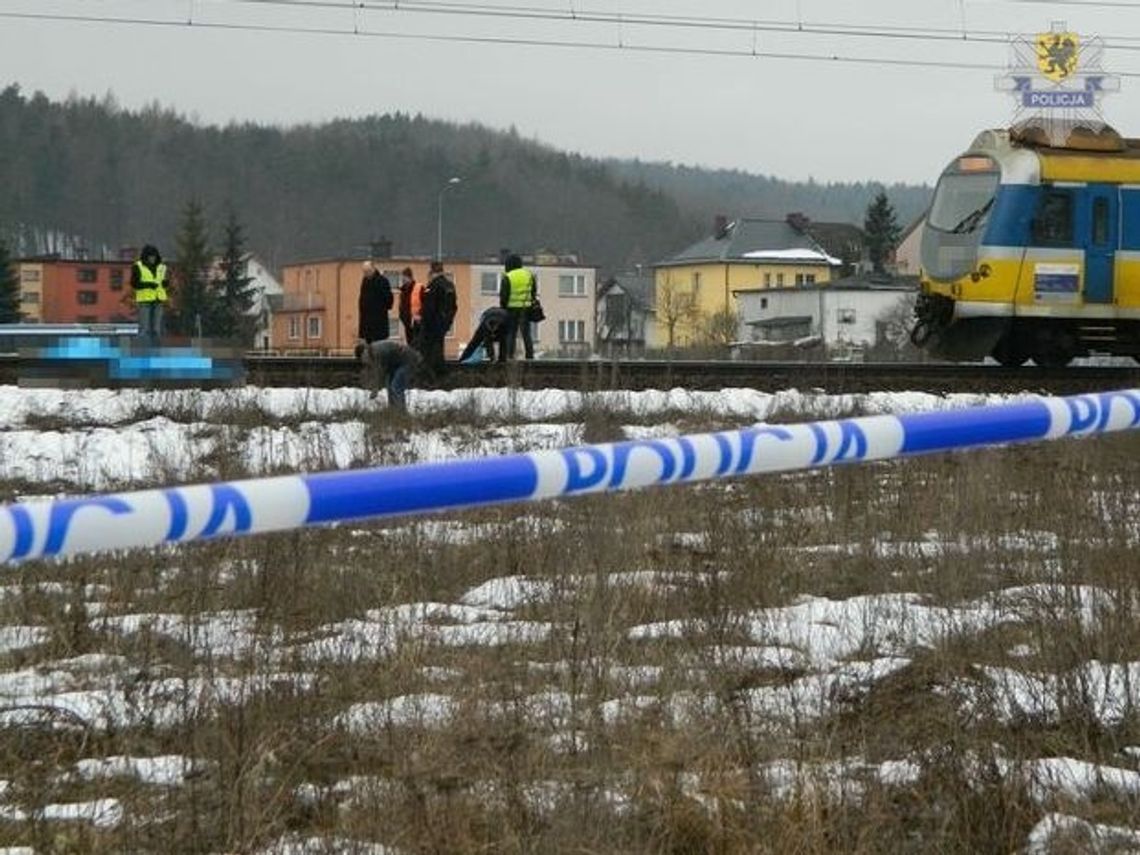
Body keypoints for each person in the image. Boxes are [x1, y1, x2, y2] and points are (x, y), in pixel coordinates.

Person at [356, 338, 423, 411]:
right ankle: (393, 409)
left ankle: (401, 411)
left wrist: (375, 389)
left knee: (396, 386)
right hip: (397, 363)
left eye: (363, 359)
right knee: (389, 385)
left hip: (407, 360)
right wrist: (375, 388)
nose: (366, 362)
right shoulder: (373, 352)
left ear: (364, 353)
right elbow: (381, 372)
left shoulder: (377, 351)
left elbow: (380, 372)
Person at [418, 260, 458, 376]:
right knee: (439, 349)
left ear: (432, 271)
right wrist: (447, 322)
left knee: (428, 353)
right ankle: (441, 375)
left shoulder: (433, 285)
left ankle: (430, 377)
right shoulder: (450, 285)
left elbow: (429, 307)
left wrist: (424, 322)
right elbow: (454, 307)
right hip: (443, 324)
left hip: (431, 325)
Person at [499, 253, 537, 360]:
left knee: (511, 333)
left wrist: (503, 308)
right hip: (526, 308)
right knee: (526, 334)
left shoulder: (508, 276)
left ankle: (510, 355)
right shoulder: (529, 275)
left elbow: (504, 295)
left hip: (511, 309)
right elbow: (533, 292)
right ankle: (530, 356)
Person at [130, 244, 169, 347]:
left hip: (158, 300)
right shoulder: (138, 266)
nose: (152, 258)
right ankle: (141, 350)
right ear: (145, 257)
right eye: (150, 256)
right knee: (144, 329)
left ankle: (156, 351)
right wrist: (148, 285)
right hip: (144, 301)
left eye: (154, 256)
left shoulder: (162, 267)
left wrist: (166, 284)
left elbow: (164, 282)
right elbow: (134, 283)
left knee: (157, 329)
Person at [358, 260, 394, 344]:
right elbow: (362, 299)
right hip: (367, 324)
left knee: (379, 348)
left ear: (373, 269)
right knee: (369, 349)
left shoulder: (382, 281)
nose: (366, 274)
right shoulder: (365, 281)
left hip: (379, 323)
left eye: (368, 271)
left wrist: (380, 309)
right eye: (364, 272)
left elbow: (389, 300)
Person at [397, 266, 423, 345]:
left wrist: (420, 316)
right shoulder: (403, 290)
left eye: (404, 277)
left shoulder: (419, 288)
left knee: (417, 346)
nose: (403, 280)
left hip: (417, 324)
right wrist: (403, 318)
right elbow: (402, 307)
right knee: (411, 346)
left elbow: (426, 304)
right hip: (408, 324)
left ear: (409, 277)